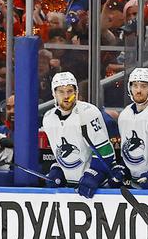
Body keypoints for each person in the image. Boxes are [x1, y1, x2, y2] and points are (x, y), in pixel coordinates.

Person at [41, 71, 115, 199]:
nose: (66, 96)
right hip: (69, 190)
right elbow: (60, 152)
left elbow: (105, 151)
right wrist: (57, 169)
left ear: (76, 92)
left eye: (70, 91)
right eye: (61, 92)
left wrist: (93, 175)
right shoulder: (48, 118)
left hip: (98, 188)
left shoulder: (88, 113)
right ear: (54, 94)